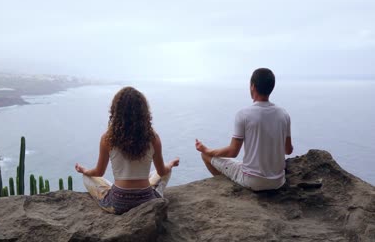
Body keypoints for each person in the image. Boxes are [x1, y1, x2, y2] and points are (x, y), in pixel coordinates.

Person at [75, 86, 180, 214]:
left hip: (118, 203)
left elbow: (99, 172)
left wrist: (84, 170)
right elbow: (162, 171)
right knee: (164, 173)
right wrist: (171, 164)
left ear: (116, 111)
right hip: (147, 200)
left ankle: (113, 187)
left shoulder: (107, 138)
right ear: (144, 112)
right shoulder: (153, 138)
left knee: (87, 177)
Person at [195, 68, 293, 191]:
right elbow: (288, 150)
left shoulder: (244, 114)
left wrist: (207, 150)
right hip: (278, 181)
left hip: (252, 181)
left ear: (252, 86)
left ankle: (228, 188)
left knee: (205, 156)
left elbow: (232, 152)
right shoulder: (284, 114)